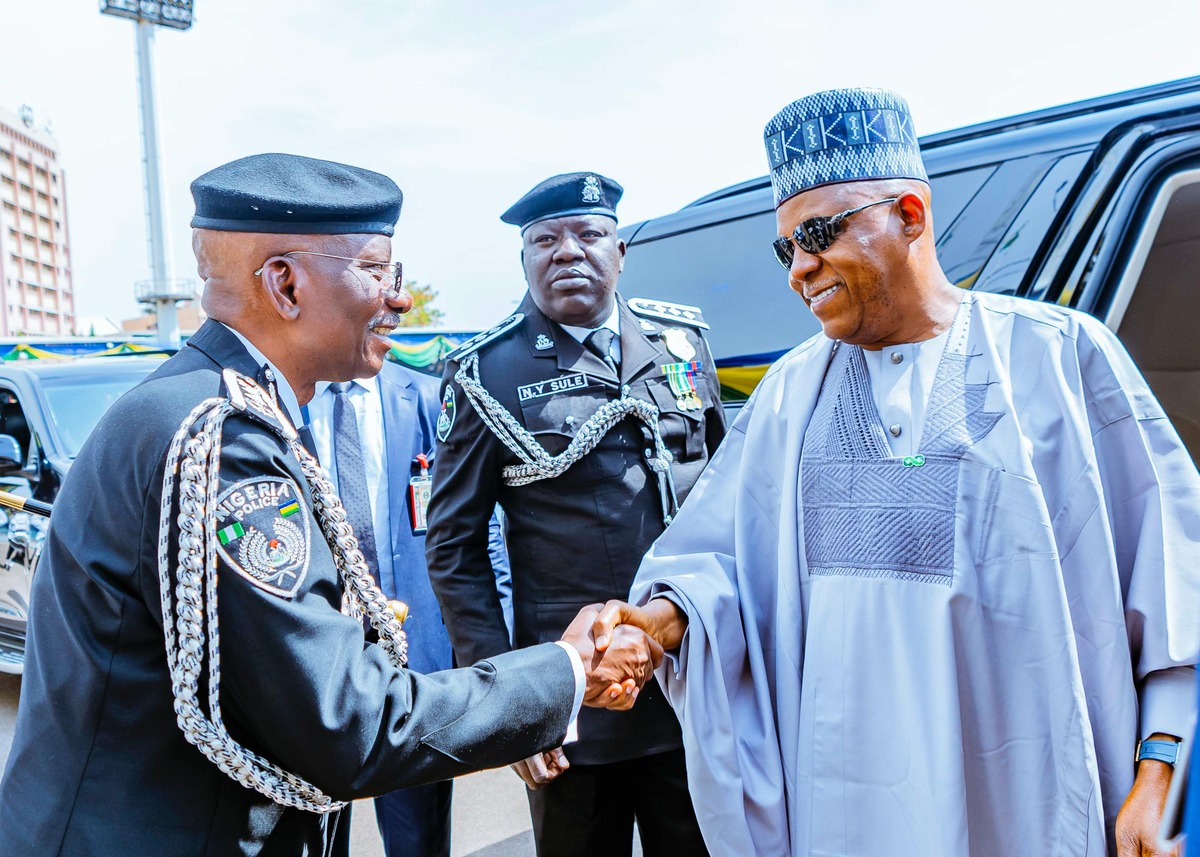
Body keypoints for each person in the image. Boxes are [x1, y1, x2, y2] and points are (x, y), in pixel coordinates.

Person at [592, 88, 1200, 857]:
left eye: (817, 233)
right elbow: (717, 567)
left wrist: (1160, 773)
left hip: (1027, 801)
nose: (799, 268)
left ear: (911, 214)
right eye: (786, 248)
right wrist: (650, 629)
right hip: (848, 812)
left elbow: (1173, 582)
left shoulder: (1058, 358)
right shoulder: (788, 396)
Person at [0, 153, 661, 857]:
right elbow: (344, 720)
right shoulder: (221, 439)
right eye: (378, 272)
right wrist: (564, 669)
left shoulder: (216, 407)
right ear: (284, 284)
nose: (399, 299)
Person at [426, 172, 725, 856]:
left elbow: (727, 506)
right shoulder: (485, 372)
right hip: (577, 705)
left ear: (621, 252)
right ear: (525, 259)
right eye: (545, 240)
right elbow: (454, 547)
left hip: (692, 686)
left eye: (588, 235)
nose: (567, 252)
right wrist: (509, 708)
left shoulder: (682, 346)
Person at [304, 360, 511, 857]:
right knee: (315, 829)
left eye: (387, 278)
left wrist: (497, 649)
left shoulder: (425, 396)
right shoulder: (287, 396)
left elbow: (481, 530)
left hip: (416, 655)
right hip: (319, 653)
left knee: (417, 834)